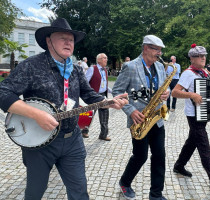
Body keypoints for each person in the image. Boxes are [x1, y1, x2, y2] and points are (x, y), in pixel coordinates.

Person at [0, 18, 128, 200]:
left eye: (71, 39)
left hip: (72, 140)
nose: (69, 42)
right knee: (35, 193)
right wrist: (37, 115)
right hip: (39, 143)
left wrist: (108, 101)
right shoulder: (31, 65)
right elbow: (3, 93)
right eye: (62, 38)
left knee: (80, 192)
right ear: (49, 41)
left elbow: (89, 94)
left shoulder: (75, 70)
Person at [112, 35, 169, 200]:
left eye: (160, 50)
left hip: (157, 119)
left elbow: (165, 87)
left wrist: (167, 93)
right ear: (145, 48)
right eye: (156, 49)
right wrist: (130, 110)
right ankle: (125, 182)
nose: (159, 53)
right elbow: (116, 92)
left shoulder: (159, 67)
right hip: (139, 120)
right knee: (141, 156)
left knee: (159, 156)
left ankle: (156, 194)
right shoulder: (130, 67)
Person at [172, 44, 210, 191]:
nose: (204, 58)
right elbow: (175, 92)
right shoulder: (188, 73)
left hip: (203, 113)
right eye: (200, 56)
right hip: (194, 115)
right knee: (204, 147)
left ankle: (179, 166)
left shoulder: (202, 72)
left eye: (204, 55)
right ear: (192, 58)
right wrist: (191, 94)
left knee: (192, 141)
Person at [85, 53, 112, 141]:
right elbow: (85, 83)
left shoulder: (105, 70)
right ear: (99, 60)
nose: (106, 59)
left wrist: (113, 91)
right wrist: (89, 93)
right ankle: (84, 131)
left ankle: (103, 135)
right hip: (93, 95)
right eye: (104, 58)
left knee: (104, 114)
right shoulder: (92, 69)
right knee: (90, 113)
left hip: (103, 94)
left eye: (106, 58)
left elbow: (104, 84)